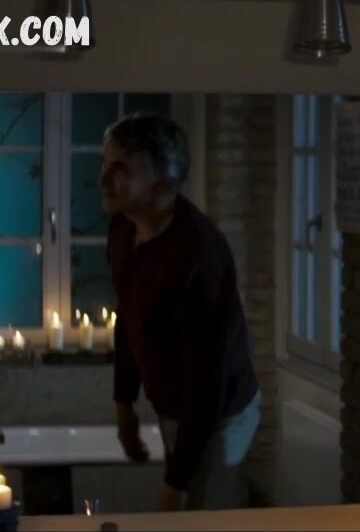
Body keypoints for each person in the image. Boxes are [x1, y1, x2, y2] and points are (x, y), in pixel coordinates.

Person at [100, 113, 261, 511]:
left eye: (120, 169)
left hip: (220, 416)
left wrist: (176, 482)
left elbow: (208, 384)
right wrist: (124, 405)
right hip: (177, 408)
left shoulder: (198, 257)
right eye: (105, 164)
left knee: (203, 517)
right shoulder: (123, 230)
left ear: (162, 183)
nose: (104, 179)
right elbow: (128, 317)